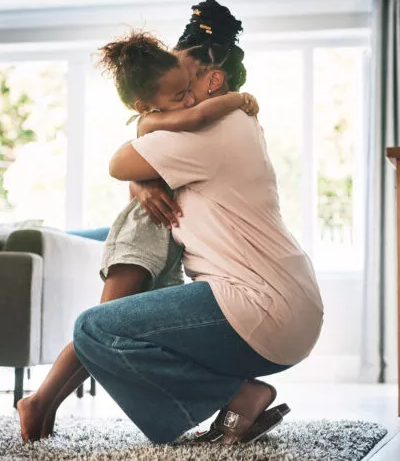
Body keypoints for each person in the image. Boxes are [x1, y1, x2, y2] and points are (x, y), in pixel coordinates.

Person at [71, 0, 324, 445]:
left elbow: (118, 163)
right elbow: (138, 172)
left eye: (184, 83)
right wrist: (145, 186)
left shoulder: (212, 128)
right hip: (286, 304)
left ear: (213, 79)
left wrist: (144, 158)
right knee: (131, 324)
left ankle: (241, 394)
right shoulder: (231, 126)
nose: (180, 98)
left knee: (95, 327)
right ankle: (233, 401)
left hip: (259, 305)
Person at [17, 29, 259, 442]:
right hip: (143, 232)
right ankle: (39, 401)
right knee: (102, 322)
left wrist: (143, 185)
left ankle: (44, 403)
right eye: (178, 95)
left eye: (187, 90)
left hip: (165, 237)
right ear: (144, 105)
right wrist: (239, 100)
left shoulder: (163, 116)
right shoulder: (154, 120)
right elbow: (194, 120)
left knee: (124, 329)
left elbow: (149, 174)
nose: (187, 99)